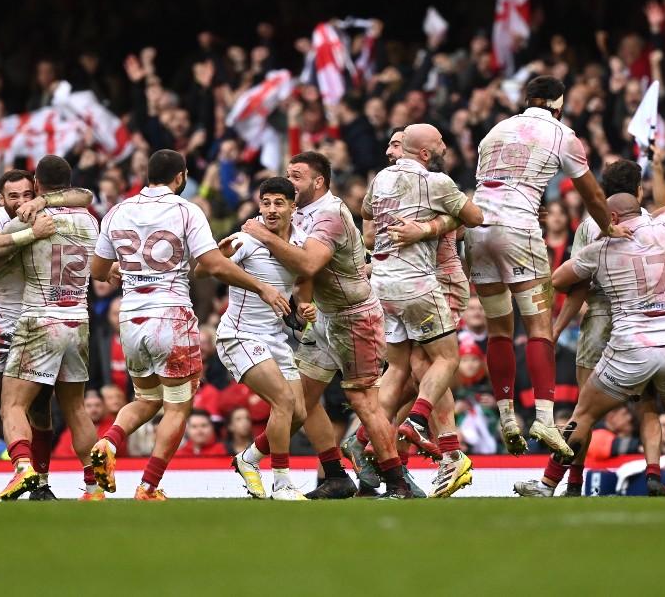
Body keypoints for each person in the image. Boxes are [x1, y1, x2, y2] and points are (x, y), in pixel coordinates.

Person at [89, 149, 290, 500]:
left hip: (131, 319)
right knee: (177, 405)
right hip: (171, 315)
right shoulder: (186, 210)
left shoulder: (118, 211)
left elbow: (97, 272)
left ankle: (108, 441)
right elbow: (211, 264)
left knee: (146, 398)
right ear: (181, 176)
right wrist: (262, 286)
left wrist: (123, 270)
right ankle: (148, 486)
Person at [462, 75, 624, 456]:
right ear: (560, 103)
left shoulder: (496, 130)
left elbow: (496, 183)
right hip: (519, 231)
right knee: (539, 327)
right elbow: (593, 193)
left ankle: (505, 416)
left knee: (499, 330)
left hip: (479, 229)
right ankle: (545, 419)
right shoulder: (562, 134)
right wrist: (608, 227)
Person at [242, 151, 413, 498]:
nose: (290, 183)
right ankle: (335, 474)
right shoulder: (298, 213)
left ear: (318, 181)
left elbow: (308, 264)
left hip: (354, 317)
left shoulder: (330, 214)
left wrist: (261, 234)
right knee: (302, 399)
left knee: (363, 399)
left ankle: (397, 481)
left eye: (297, 177)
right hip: (323, 317)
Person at [519, 156, 665, 497]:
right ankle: (653, 474)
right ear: (638, 190)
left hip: (600, 319)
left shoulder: (590, 225)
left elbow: (578, 285)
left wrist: (557, 327)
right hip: (641, 322)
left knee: (583, 408)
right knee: (647, 404)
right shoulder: (654, 225)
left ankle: (573, 483)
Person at [546, 193, 665, 497]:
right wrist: (650, 215)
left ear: (610, 219)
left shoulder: (601, 247)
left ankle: (548, 484)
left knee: (583, 413)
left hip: (631, 345)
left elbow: (558, 280)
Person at [358, 123, 482, 496]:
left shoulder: (380, 178)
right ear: (426, 153)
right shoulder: (438, 182)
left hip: (381, 283)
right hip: (424, 282)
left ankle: (368, 438)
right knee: (444, 361)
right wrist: (431, 226)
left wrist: (423, 224)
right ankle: (422, 428)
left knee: (401, 367)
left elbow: (366, 214)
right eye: (441, 142)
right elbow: (475, 218)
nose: (446, 145)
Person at [0, 170, 91, 499]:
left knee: (40, 408)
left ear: (37, 191)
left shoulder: (44, 211)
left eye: (28, 194)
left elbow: (84, 196)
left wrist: (42, 203)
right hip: (1, 319)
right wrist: (28, 234)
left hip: (37, 323)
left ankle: (40, 483)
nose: (21, 201)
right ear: (2, 199)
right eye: (13, 196)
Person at [211, 176, 312, 500]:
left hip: (274, 337)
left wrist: (304, 309)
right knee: (282, 402)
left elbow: (303, 283)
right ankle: (282, 482)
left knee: (298, 413)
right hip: (238, 335)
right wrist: (219, 253)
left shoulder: (301, 242)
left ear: (293, 207)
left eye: (279, 203)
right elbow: (202, 270)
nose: (271, 209)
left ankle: (249, 459)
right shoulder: (246, 239)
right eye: (266, 202)